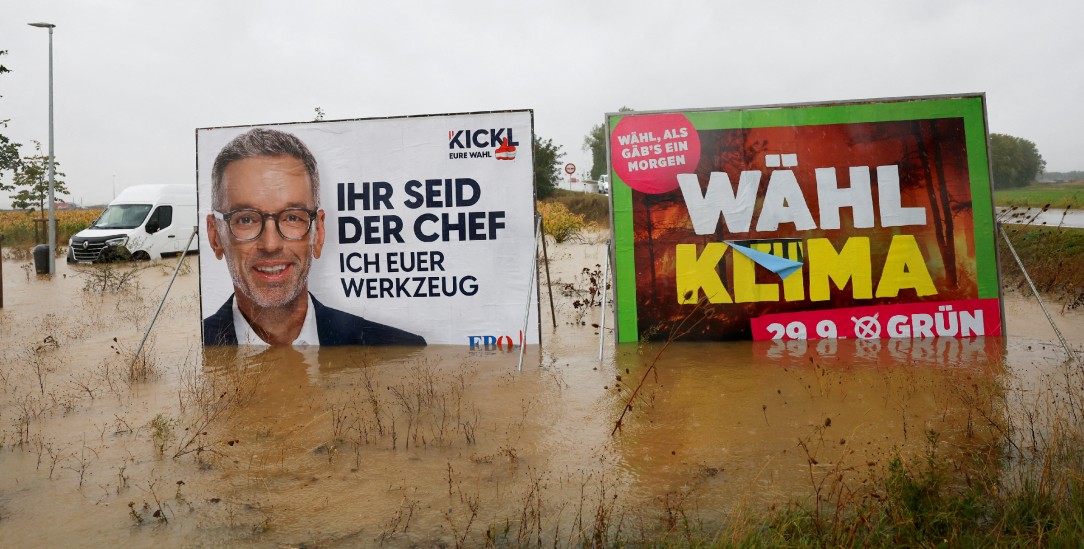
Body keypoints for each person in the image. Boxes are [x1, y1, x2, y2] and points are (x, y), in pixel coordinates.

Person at [202, 127, 426, 347]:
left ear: (318, 234)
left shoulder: (400, 351)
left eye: (292, 217)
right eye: (246, 220)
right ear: (215, 237)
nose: (270, 244)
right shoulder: (191, 351)